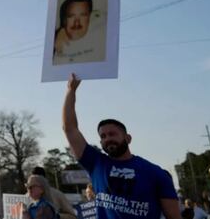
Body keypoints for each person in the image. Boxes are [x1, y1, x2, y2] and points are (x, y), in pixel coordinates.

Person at [62, 73, 180, 219]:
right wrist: (71, 90)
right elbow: (70, 128)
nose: (108, 139)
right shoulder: (96, 164)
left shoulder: (155, 173)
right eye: (103, 136)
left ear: (128, 138)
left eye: (112, 134)